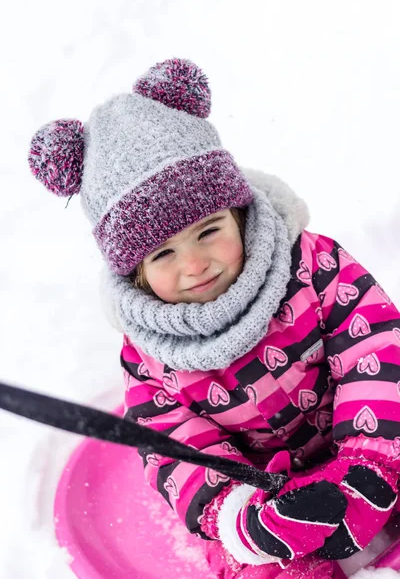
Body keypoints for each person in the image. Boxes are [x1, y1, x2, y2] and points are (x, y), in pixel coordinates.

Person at [28, 58, 400, 578]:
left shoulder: (313, 267)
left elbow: (376, 354)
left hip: (369, 437)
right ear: (135, 272)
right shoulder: (149, 358)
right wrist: (249, 519)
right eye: (162, 255)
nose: (195, 265)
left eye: (208, 231)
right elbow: (176, 447)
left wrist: (370, 462)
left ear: (239, 212)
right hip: (262, 489)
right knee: (246, 560)